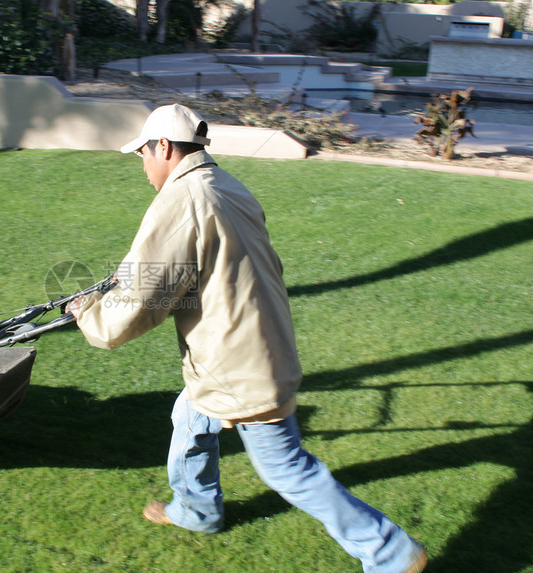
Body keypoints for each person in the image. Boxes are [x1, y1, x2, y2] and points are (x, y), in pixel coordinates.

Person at [66, 104, 427, 573]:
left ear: (164, 147)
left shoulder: (181, 201)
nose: (142, 165)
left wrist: (91, 316)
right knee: (189, 417)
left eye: (142, 154)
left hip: (239, 364)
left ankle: (388, 551)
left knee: (286, 468)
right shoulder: (225, 186)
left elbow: (142, 297)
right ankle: (196, 510)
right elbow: (191, 271)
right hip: (249, 343)